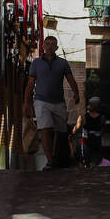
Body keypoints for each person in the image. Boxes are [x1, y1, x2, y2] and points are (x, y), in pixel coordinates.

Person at [24, 35, 80, 170]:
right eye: (47, 44)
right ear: (43, 46)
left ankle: (55, 157)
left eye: (52, 44)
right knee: (45, 128)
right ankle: (50, 160)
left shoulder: (63, 63)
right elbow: (30, 84)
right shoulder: (36, 63)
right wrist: (28, 103)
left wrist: (76, 93)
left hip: (59, 102)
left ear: (56, 48)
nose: (49, 46)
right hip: (41, 101)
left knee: (60, 132)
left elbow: (71, 79)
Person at [73, 96, 106, 168]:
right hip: (97, 143)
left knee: (86, 165)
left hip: (86, 143)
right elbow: (102, 130)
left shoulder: (83, 117)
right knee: (94, 164)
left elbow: (76, 128)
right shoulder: (102, 118)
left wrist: (72, 133)